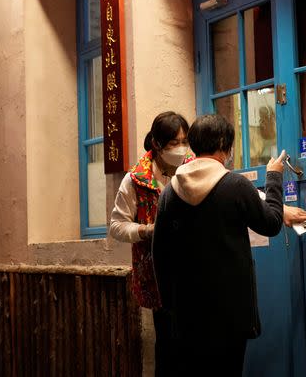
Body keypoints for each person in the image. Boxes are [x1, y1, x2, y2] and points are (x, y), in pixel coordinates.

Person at [152, 114, 294, 376]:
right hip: (229, 314)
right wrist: (273, 178)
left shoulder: (170, 191)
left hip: (186, 314)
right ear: (223, 145)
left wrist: (171, 307)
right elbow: (272, 223)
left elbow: (159, 254)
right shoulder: (235, 185)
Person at [109, 111, 190, 377]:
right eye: (173, 143)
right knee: (167, 344)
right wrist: (145, 231)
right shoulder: (135, 180)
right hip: (158, 276)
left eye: (184, 141)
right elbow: (117, 226)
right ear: (156, 144)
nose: (181, 148)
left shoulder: (192, 167)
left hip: (195, 271)